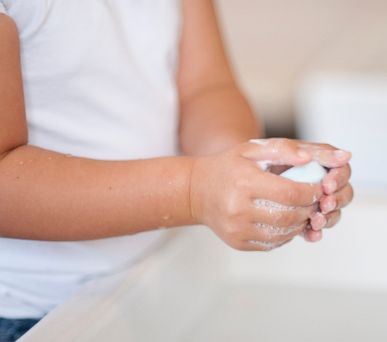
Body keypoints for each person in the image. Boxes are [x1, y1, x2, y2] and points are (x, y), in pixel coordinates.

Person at [0, 1, 353, 341]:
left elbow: (204, 89)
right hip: (28, 313)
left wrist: (241, 165)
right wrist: (193, 190)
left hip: (144, 282)